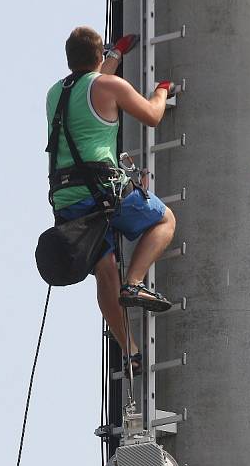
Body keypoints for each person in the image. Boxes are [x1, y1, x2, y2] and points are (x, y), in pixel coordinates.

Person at [46, 26, 176, 376]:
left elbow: (92, 85)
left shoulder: (56, 92)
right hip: (103, 191)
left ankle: (130, 350)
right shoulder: (111, 86)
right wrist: (162, 91)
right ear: (99, 56)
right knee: (166, 221)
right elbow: (151, 115)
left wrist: (115, 55)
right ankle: (134, 283)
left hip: (67, 199)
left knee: (104, 271)